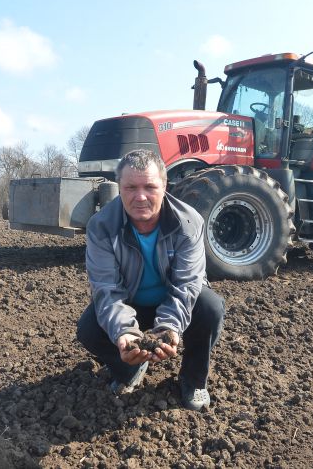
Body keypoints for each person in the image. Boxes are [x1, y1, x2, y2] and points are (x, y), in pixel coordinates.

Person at [76, 149, 225, 411]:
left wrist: (168, 327)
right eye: (131, 187)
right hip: (130, 302)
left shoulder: (188, 223)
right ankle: (130, 368)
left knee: (210, 308)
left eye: (149, 186)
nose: (140, 196)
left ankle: (193, 381)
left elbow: (187, 285)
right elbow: (107, 290)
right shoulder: (101, 227)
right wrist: (125, 332)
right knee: (89, 329)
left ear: (165, 186)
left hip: (173, 301)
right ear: (119, 188)